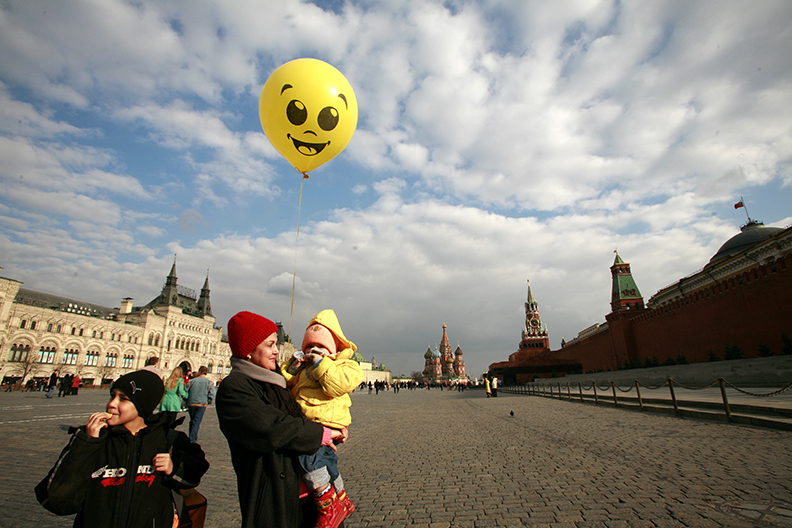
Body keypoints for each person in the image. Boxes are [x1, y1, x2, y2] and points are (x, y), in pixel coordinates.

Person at [215, 311, 346, 528]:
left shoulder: (278, 382)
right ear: (248, 350)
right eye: (270, 345)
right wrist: (322, 434)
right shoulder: (235, 388)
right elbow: (274, 428)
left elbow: (306, 414)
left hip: (312, 499)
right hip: (275, 500)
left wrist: (336, 425)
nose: (277, 351)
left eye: (276, 344)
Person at [35, 369, 209, 528]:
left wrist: (174, 467)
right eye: (112, 396)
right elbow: (56, 499)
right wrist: (86, 443)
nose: (111, 404)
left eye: (123, 399)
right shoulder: (96, 441)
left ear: (144, 404)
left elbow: (195, 473)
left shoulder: (167, 440)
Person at [281, 309, 363, 528]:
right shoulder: (304, 368)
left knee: (307, 460)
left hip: (325, 420)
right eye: (308, 347)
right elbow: (286, 386)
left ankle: (328, 504)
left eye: (319, 347)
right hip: (308, 420)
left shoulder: (345, 365)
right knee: (326, 464)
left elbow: (336, 385)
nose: (313, 351)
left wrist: (320, 364)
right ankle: (341, 498)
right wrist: (292, 368)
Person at [186, 366, 216, 443]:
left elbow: (185, 391)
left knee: (192, 420)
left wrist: (187, 400)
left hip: (191, 403)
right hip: (201, 404)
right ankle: (192, 440)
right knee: (196, 421)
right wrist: (207, 401)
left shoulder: (191, 381)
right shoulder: (209, 383)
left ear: (199, 372)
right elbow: (212, 394)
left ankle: (191, 436)